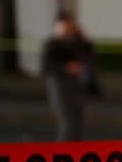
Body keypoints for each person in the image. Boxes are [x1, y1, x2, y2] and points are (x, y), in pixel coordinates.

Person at [41, 11, 98, 141]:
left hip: (77, 89)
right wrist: (66, 67)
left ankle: (75, 153)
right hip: (61, 88)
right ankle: (62, 153)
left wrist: (80, 36)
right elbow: (47, 66)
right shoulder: (52, 45)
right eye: (65, 27)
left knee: (78, 123)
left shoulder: (75, 43)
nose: (68, 30)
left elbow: (88, 55)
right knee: (68, 124)